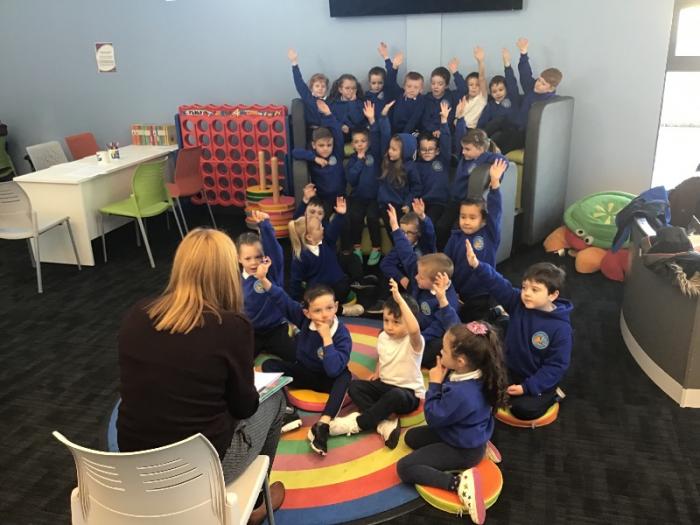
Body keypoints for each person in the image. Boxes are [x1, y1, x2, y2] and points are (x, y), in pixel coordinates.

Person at [117, 228, 285, 525]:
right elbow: (245, 407)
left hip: (133, 464)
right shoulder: (232, 326)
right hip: (199, 470)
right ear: (227, 272)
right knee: (276, 400)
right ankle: (256, 504)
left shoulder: (137, 314)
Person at [396, 321, 508, 525]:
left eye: (444, 350)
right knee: (411, 438)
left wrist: (435, 384)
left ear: (461, 361)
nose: (440, 351)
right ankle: (481, 441)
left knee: (405, 468)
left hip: (463, 450)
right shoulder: (480, 371)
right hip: (461, 431)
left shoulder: (462, 394)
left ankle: (458, 484)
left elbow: (433, 417)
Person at [464, 239, 573, 421]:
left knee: (522, 410)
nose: (527, 293)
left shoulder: (561, 329)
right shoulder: (519, 302)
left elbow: (556, 366)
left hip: (535, 377)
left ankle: (554, 395)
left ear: (553, 295)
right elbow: (499, 284)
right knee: (482, 388)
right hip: (511, 368)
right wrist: (477, 265)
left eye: (535, 290)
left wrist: (527, 387)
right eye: (524, 287)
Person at [258, 263, 353, 457]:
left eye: (329, 308)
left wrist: (327, 339)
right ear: (307, 313)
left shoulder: (342, 334)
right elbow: (283, 300)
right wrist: (263, 279)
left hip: (328, 378)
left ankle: (323, 425)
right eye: (317, 311)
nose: (324, 314)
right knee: (269, 365)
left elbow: (334, 370)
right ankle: (288, 411)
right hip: (304, 372)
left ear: (336, 307)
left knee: (345, 376)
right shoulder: (304, 320)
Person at [329, 278, 424, 448]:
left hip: (407, 393)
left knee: (395, 395)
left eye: (396, 322)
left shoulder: (414, 342)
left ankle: (359, 423)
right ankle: (384, 422)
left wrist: (399, 299)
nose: (389, 326)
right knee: (354, 387)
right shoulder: (383, 337)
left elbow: (415, 329)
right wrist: (377, 371)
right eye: (386, 320)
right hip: (385, 386)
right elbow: (383, 356)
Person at [444, 158, 508, 322]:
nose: (466, 221)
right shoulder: (455, 236)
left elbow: (496, 211)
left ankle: (496, 313)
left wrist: (495, 183)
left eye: (472, 218)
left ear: (483, 221)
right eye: (463, 217)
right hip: (459, 292)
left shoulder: (490, 234)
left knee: (479, 326)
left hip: (482, 293)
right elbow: (446, 265)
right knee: (459, 323)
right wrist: (450, 290)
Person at [435, 112, 508, 249]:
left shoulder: (484, 158)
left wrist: (496, 177)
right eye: (463, 148)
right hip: (453, 200)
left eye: (468, 149)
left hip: (465, 203)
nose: (463, 152)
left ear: (480, 149)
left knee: (455, 230)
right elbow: (460, 135)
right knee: (440, 227)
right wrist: (460, 118)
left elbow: (503, 161)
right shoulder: (465, 156)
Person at [288, 196, 364, 316]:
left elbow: (334, 229)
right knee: (316, 301)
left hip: (339, 287)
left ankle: (338, 308)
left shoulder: (326, 242)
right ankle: (343, 310)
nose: (323, 228)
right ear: (309, 237)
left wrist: (340, 215)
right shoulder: (301, 257)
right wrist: (295, 303)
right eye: (319, 228)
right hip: (320, 293)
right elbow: (295, 282)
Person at [237, 210, 295, 362]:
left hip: (275, 328)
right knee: (240, 361)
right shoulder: (236, 281)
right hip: (252, 332)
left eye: (258, 257)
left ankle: (295, 331)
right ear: (239, 259)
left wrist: (265, 226)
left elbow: (275, 251)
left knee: (296, 357)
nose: (253, 262)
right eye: (248, 258)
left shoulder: (271, 272)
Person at [344, 100, 392, 266]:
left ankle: (376, 248)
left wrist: (372, 120)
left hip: (375, 198)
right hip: (358, 197)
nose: (360, 144)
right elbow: (351, 180)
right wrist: (359, 161)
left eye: (363, 141)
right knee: (355, 216)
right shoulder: (352, 160)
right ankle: (356, 247)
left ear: (369, 142)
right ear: (352, 144)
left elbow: (378, 136)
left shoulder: (375, 154)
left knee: (372, 217)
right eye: (356, 142)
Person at [369, 201, 436, 314]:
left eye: (409, 233)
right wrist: (401, 278)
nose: (404, 236)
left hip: (422, 283)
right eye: (402, 232)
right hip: (407, 282)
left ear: (418, 233)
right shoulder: (399, 248)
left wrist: (422, 216)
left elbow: (430, 233)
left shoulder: (425, 245)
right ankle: (384, 302)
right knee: (388, 274)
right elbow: (385, 264)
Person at [291, 99, 346, 218]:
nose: (326, 149)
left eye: (329, 145)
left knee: (346, 220)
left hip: (340, 197)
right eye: (321, 145)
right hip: (322, 199)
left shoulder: (337, 153)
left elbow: (338, 133)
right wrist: (314, 158)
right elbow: (295, 152)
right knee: (322, 217)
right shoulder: (313, 156)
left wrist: (329, 115)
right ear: (314, 145)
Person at [509, 37, 563, 149]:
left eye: (543, 84)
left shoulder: (549, 101)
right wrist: (523, 53)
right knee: (499, 123)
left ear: (550, 89)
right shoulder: (533, 88)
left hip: (526, 134)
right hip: (516, 126)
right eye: (539, 80)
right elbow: (525, 74)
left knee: (506, 138)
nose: (538, 84)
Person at [377, 122, 423, 238]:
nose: (390, 151)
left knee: (400, 233)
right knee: (391, 231)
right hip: (385, 205)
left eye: (394, 149)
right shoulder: (386, 161)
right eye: (390, 148)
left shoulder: (410, 167)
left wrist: (408, 203)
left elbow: (416, 188)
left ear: (404, 152)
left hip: (400, 206)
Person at [476, 48, 521, 153]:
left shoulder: (512, 98)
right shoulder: (490, 106)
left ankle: (480, 141)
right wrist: (478, 132)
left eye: (501, 90)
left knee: (501, 120)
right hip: (497, 134)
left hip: (512, 131)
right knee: (496, 134)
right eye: (494, 91)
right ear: (491, 94)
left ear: (506, 89)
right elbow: (482, 122)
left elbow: (511, 82)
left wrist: (507, 64)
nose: (498, 93)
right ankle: (481, 143)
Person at [416, 101, 452, 224]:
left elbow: (446, 142)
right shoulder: (416, 165)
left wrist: (444, 121)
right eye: (423, 149)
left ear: (437, 151)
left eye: (430, 149)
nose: (427, 152)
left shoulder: (443, 160)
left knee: (429, 222)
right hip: (421, 202)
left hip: (438, 203)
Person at [382, 45, 426, 134]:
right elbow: (390, 82)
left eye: (416, 87)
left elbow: (414, 120)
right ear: (404, 86)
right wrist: (394, 66)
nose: (412, 90)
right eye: (409, 86)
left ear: (421, 89)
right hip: (394, 131)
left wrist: (403, 137)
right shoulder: (399, 94)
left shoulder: (421, 100)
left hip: (411, 131)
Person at [420, 58, 466, 135]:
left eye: (440, 84)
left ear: (446, 85)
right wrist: (433, 131)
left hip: (446, 132)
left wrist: (455, 72)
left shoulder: (451, 96)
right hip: (428, 133)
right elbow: (424, 121)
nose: (436, 86)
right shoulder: (426, 99)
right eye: (433, 83)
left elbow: (463, 90)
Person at [288, 48, 328, 130]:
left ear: (326, 89)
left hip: (326, 129)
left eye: (323, 86)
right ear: (311, 88)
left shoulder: (330, 101)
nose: (320, 88)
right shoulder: (308, 98)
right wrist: (294, 63)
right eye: (317, 86)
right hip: (312, 129)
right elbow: (299, 83)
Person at [459, 47, 488, 130]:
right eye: (471, 85)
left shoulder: (482, 98)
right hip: (459, 128)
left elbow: (482, 78)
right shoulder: (464, 99)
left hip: (472, 130)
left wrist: (480, 62)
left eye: (477, 85)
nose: (474, 87)